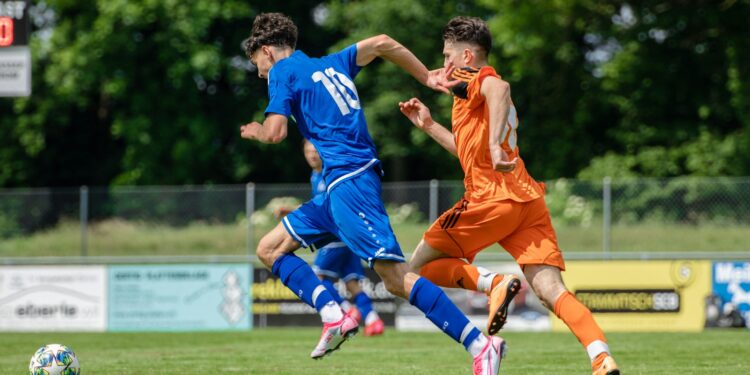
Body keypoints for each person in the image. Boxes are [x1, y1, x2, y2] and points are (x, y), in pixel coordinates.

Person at [240, 13, 505, 373]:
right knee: (268, 249)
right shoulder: (331, 63)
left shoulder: (283, 71)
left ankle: (480, 343)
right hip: (335, 189)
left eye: (259, 67)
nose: (261, 75)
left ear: (267, 51)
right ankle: (334, 313)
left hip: (350, 182)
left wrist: (256, 130)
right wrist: (426, 76)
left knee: (396, 279)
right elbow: (381, 42)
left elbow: (274, 133)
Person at [397, 16, 620, 375]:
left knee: (414, 269)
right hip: (526, 201)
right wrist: (428, 125)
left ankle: (494, 283)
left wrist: (494, 149)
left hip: (490, 199)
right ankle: (601, 356)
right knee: (551, 291)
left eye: (447, 56)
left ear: (467, 55)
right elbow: (468, 151)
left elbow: (499, 89)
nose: (444, 64)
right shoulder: (466, 93)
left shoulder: (478, 77)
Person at [274, 140, 385, 336]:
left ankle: (346, 310)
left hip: (334, 235)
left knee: (317, 277)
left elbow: (329, 207)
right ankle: (373, 320)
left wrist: (291, 211)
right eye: (308, 151)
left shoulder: (329, 172)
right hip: (347, 237)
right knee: (351, 282)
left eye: (315, 151)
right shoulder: (314, 176)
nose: (312, 155)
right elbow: (318, 206)